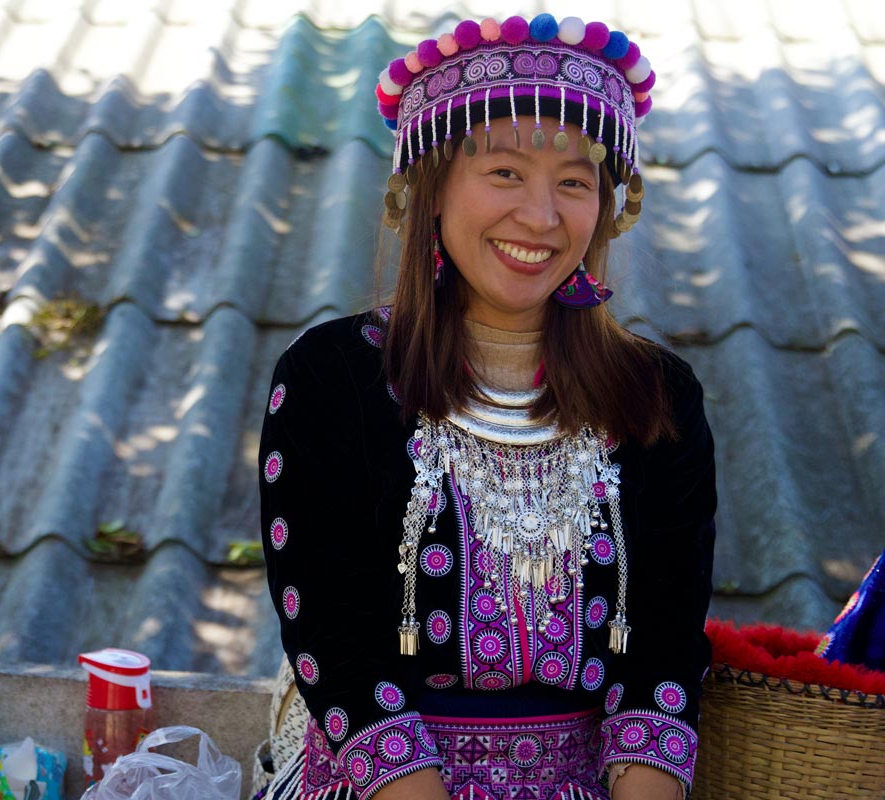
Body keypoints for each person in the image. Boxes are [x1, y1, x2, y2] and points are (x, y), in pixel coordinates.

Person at [258, 14, 715, 800]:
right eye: (504, 172)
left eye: (574, 182)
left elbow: (664, 653)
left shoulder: (656, 397)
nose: (541, 218)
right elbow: (334, 644)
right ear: (430, 190)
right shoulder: (332, 380)